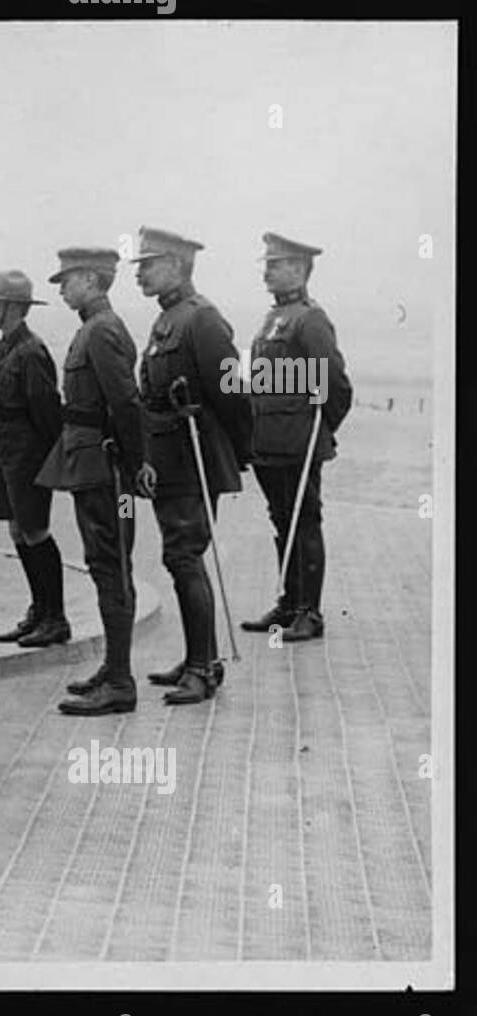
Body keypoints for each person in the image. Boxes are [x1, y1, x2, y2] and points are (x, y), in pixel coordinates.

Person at [131, 227, 253, 705]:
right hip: (171, 457)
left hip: (196, 454)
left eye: (149, 263)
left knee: (184, 556)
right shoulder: (168, 321)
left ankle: (204, 668)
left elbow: (233, 395)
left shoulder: (203, 321)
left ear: (178, 266)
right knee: (179, 557)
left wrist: (238, 454)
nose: (139, 272)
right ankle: (195, 656)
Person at [38, 247, 146, 715]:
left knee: (111, 563)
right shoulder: (94, 327)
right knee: (106, 562)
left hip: (107, 470)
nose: (61, 288)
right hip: (95, 466)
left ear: (90, 279)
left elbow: (124, 403)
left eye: (67, 280)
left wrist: (137, 463)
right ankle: (113, 666)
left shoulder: (101, 330)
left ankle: (120, 681)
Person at [241, 233, 352, 643]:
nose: (267, 270)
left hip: (299, 443)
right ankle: (288, 604)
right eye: (267, 263)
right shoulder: (273, 318)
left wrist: (317, 430)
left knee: (304, 523)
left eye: (276, 263)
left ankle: (310, 612)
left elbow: (336, 386)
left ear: (301, 269)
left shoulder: (310, 318)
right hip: (268, 441)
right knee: (282, 520)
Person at [0, 269, 68, 649]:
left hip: (27, 451)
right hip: (5, 447)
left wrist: (47, 464)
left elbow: (46, 414)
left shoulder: (31, 351)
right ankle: (39, 611)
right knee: (17, 529)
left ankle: (56, 618)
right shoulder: (4, 346)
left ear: (11, 308)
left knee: (35, 530)